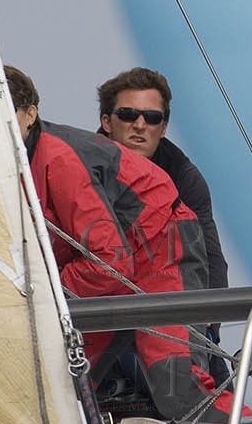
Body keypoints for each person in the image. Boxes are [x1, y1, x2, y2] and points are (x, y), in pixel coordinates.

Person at [6, 67, 252, 424]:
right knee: (58, 384)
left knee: (179, 390)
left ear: (30, 114)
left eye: (8, 114)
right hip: (114, 264)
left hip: (161, 255)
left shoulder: (59, 160)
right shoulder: (17, 160)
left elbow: (108, 261)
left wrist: (42, 288)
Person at [97, 68, 229, 383]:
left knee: (214, 383)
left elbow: (210, 258)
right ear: (106, 122)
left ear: (164, 127)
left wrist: (209, 327)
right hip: (95, 311)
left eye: (152, 118)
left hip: (165, 309)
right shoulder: (75, 166)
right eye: (128, 115)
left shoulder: (185, 176)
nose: (140, 125)